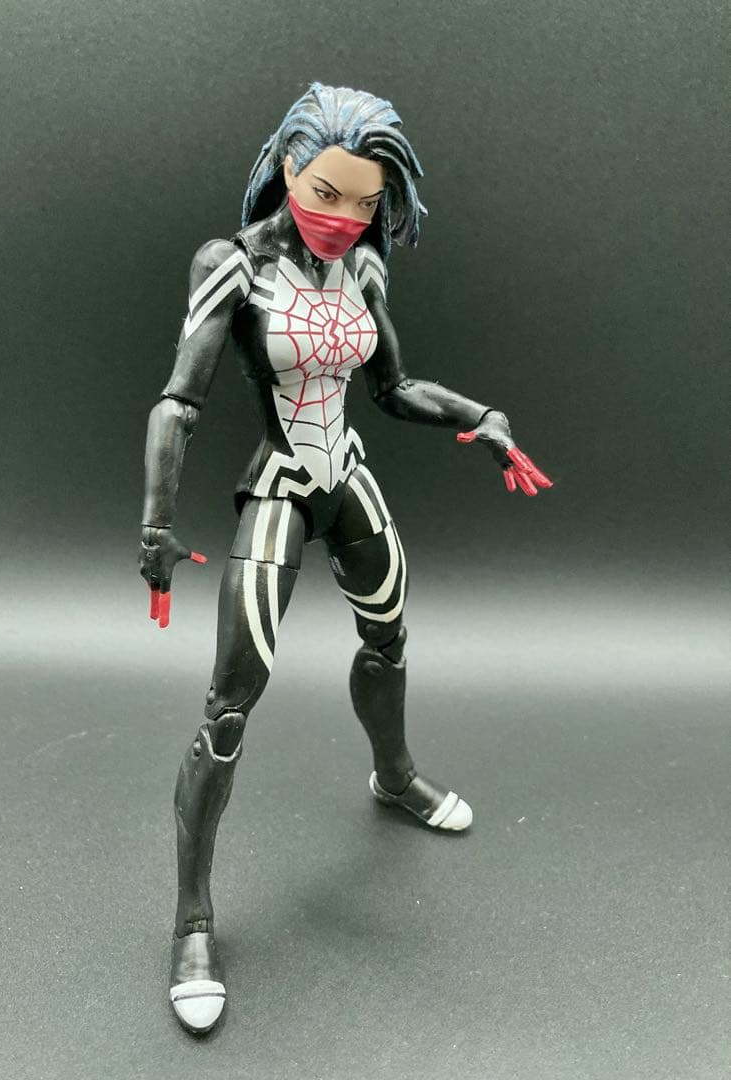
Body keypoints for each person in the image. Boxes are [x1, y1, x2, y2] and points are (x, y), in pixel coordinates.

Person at [139, 82, 552, 1034]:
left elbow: (393, 387)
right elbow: (180, 400)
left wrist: (479, 416)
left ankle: (393, 774)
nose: (344, 217)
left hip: (348, 475)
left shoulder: (363, 267)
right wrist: (157, 520)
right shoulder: (232, 265)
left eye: (365, 202)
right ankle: (192, 920)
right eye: (326, 192)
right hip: (283, 482)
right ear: (287, 166)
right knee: (230, 701)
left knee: (390, 633)